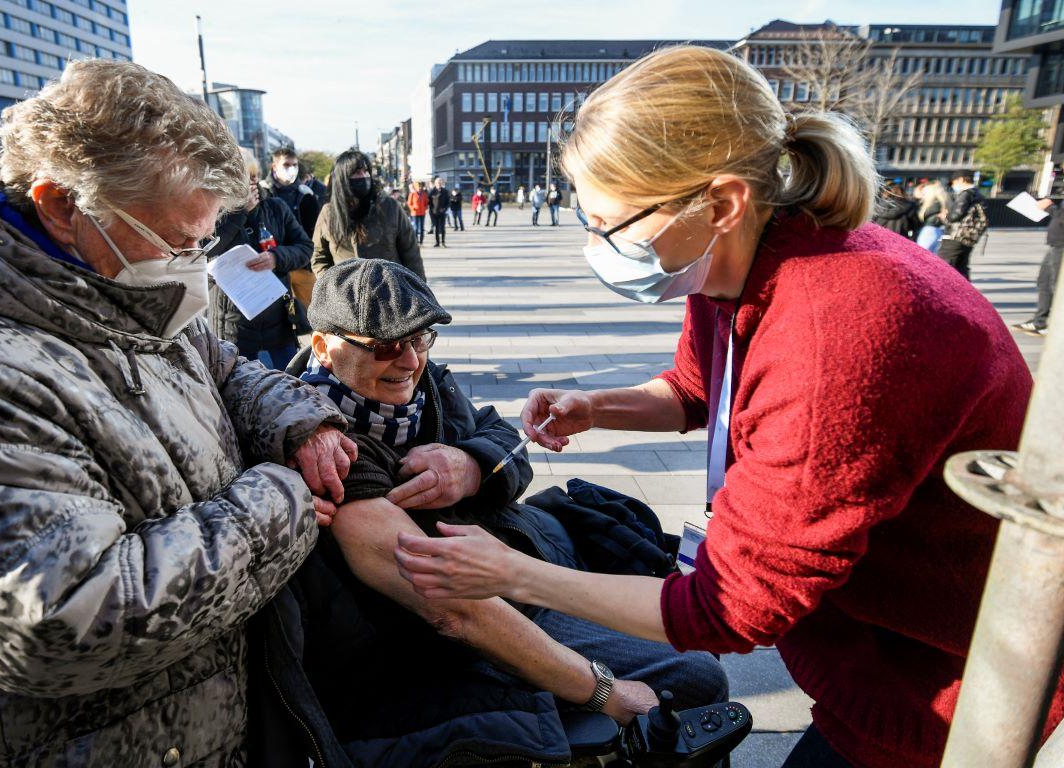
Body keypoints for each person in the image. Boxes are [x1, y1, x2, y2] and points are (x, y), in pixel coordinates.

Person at [392, 45, 1043, 768]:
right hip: (881, 658)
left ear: (722, 201)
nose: (596, 245)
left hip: (958, 687)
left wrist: (509, 574)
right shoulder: (744, 263)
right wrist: (596, 406)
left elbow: (729, 608)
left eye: (612, 223)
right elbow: (698, 389)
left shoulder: (836, 330)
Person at [0, 59, 358, 766]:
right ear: (63, 205)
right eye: (177, 242)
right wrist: (279, 501)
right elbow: (57, 624)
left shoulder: (113, 284)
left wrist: (298, 422)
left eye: (204, 241)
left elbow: (219, 367)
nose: (193, 263)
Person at [278, 259, 728, 766]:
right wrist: (605, 692)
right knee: (695, 678)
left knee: (670, 588)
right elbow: (453, 609)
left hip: (528, 557)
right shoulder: (326, 445)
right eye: (384, 346)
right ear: (322, 345)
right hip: (478, 620)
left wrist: (471, 463)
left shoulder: (423, 389)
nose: (408, 362)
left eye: (420, 338)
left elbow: (501, 437)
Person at [208, 149, 314, 370]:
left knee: (288, 383)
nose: (253, 180)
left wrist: (277, 257)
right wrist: (239, 213)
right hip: (234, 324)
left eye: (255, 174)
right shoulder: (213, 213)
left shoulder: (276, 207)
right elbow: (206, 249)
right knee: (240, 388)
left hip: (278, 319)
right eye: (246, 175)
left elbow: (305, 248)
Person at [311, 149, 425, 280]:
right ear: (343, 178)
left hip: (389, 291)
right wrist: (332, 286)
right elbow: (319, 257)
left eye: (366, 171)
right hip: (346, 296)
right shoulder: (329, 213)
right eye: (357, 172)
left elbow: (411, 252)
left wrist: (419, 289)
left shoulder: (389, 207)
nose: (363, 176)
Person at [1012, 196, 1061, 337]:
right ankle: (1040, 321)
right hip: (1055, 243)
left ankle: (1055, 325)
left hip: (1061, 246)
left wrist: (1050, 208)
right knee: (1044, 282)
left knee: (1057, 286)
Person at [262, 145, 321, 238]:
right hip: (270, 249)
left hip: (300, 249)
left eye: (294, 165)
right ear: (274, 166)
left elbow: (314, 230)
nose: (291, 169)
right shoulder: (263, 192)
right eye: (286, 165)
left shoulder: (306, 194)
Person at [939, 171, 987, 280]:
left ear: (961, 179)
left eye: (954, 182)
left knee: (946, 266)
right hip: (969, 237)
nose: (953, 185)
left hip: (956, 236)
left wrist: (945, 216)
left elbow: (956, 215)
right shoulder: (978, 194)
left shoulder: (966, 194)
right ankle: (966, 294)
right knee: (961, 268)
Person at [916, 179, 950, 253]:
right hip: (936, 230)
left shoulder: (933, 205)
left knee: (922, 254)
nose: (923, 194)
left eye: (925, 192)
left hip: (930, 230)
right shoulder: (941, 204)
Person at [427, 175, 451, 247]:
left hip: (442, 212)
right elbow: (429, 202)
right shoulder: (432, 192)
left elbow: (448, 202)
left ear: (442, 183)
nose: (439, 184)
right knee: (436, 228)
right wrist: (431, 210)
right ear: (435, 183)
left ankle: (443, 242)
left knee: (442, 228)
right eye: (437, 183)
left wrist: (445, 209)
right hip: (434, 212)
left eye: (440, 182)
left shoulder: (445, 191)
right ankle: (437, 242)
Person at [406, 179, 429, 245]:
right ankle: (415, 241)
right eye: (418, 186)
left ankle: (421, 241)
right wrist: (413, 208)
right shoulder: (412, 194)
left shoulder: (424, 194)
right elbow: (409, 203)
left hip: (422, 213)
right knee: (415, 228)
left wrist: (425, 208)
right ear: (415, 187)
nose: (420, 188)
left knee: (422, 228)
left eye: (420, 186)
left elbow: (426, 203)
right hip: (415, 213)